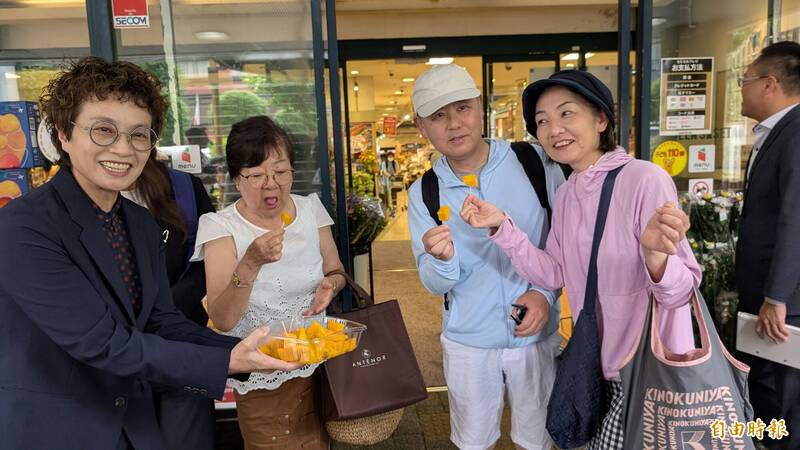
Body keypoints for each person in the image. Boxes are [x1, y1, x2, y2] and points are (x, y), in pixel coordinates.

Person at [0, 57, 298, 450]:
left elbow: (161, 321)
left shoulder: (140, 223)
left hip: (135, 423)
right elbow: (102, 343)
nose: (124, 149)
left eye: (140, 135)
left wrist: (256, 348)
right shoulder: (23, 226)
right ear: (63, 134)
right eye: (103, 130)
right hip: (56, 428)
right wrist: (229, 362)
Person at [460, 70, 701, 449]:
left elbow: (681, 291)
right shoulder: (570, 193)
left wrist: (655, 256)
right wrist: (502, 226)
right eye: (542, 121)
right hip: (593, 364)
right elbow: (553, 272)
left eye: (567, 113)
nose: (554, 129)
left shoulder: (643, 179)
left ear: (601, 119)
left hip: (647, 368)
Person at [407, 63, 565, 450]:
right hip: (468, 343)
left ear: (480, 106)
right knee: (473, 441)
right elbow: (431, 282)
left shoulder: (534, 163)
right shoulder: (424, 191)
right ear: (421, 126)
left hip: (535, 336)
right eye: (438, 116)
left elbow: (564, 245)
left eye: (462, 108)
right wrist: (441, 260)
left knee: (538, 438)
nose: (454, 124)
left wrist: (544, 295)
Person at [193, 115, 346, 449]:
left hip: (323, 369)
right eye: (257, 175)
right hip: (266, 380)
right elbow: (222, 319)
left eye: (281, 171)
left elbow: (336, 271)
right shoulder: (220, 227)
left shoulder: (310, 210)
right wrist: (250, 263)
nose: (271, 184)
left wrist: (330, 286)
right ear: (236, 177)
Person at [121, 159, 217, 449]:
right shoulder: (69, 206)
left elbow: (207, 266)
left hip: (180, 353)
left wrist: (161, 310)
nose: (122, 148)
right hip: (116, 362)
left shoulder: (184, 189)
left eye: (137, 133)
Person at [735, 41, 800, 450]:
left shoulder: (795, 133)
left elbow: (796, 217)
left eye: (745, 80)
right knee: (765, 387)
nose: (742, 89)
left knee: (783, 393)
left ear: (769, 84)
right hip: (766, 292)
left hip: (783, 301)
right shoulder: (775, 133)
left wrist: (777, 296)